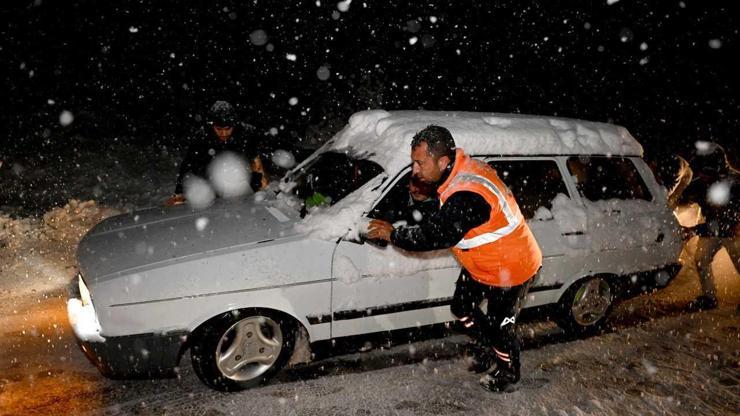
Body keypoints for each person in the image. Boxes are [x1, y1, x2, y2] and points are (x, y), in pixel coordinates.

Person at [367, 125, 542, 393]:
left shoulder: (468, 195)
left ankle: (508, 373)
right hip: (481, 264)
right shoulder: (458, 172)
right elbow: (445, 214)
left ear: (443, 161)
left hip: (512, 268)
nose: (414, 170)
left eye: (419, 163)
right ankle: (488, 348)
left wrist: (394, 235)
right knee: (462, 307)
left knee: (500, 326)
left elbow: (436, 235)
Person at [165, 100, 269, 206]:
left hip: (239, 172)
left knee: (254, 178)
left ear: (234, 124)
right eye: (218, 129)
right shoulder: (202, 137)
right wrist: (179, 192)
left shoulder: (246, 133)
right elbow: (188, 165)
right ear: (212, 125)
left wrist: (262, 187)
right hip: (211, 171)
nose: (223, 133)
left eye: (227, 129)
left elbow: (257, 163)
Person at [676, 142, 739, 310]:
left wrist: (694, 230)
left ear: (717, 169)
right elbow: (684, 198)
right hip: (712, 230)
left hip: (734, 232)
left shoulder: (735, 184)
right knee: (701, 260)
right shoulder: (701, 183)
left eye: (706, 172)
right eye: (701, 171)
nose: (702, 176)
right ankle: (709, 298)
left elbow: (725, 222)